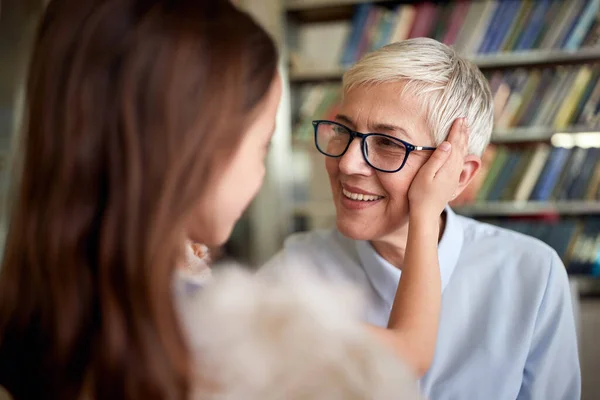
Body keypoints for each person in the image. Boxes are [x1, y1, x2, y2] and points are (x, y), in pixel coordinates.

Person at [0, 1, 464, 399]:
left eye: (387, 143)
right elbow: (407, 356)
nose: (347, 164)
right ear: (195, 155)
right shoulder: (227, 326)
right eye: (262, 146)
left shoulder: (39, 307)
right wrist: (425, 214)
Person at [263, 38, 581, 400]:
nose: (347, 164)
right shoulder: (292, 272)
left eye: (387, 143)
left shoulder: (532, 273)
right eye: (343, 131)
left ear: (458, 175)